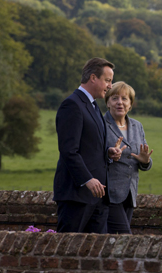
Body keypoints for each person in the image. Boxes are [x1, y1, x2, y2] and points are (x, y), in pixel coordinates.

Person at [53, 57, 122, 233]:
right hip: (77, 196)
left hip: (98, 198)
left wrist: (108, 152)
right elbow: (69, 151)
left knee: (95, 255)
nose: (109, 85)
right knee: (67, 252)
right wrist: (87, 179)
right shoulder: (72, 105)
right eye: (107, 80)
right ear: (93, 78)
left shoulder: (93, 106)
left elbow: (89, 147)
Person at [104, 81, 153, 234]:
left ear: (130, 104)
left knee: (114, 241)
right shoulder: (100, 124)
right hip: (109, 194)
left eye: (124, 99)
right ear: (107, 103)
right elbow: (93, 154)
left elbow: (143, 159)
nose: (120, 102)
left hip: (130, 194)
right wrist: (109, 154)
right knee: (125, 238)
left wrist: (146, 162)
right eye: (115, 98)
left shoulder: (137, 126)